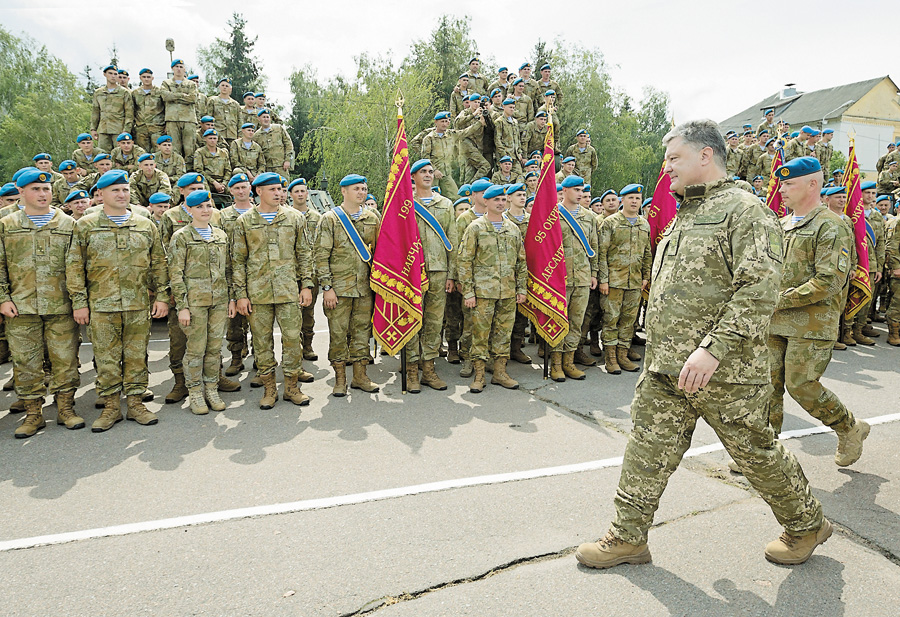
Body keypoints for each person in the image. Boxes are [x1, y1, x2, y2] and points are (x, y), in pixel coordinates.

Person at [575, 119, 830, 570]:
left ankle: (805, 523)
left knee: (756, 454)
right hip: (667, 366)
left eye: (674, 157)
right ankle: (627, 537)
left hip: (724, 371)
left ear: (705, 155)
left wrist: (713, 348)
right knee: (646, 447)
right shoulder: (685, 212)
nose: (666, 167)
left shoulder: (746, 211)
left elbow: (759, 290)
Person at [764, 156, 869, 468]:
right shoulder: (780, 224)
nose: (781, 189)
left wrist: (776, 299)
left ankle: (849, 428)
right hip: (774, 322)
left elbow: (829, 281)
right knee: (766, 387)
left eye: (789, 184)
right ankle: (765, 455)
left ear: (812, 185)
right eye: (781, 183)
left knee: (802, 386)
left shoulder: (832, 226)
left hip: (811, 324)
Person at [66, 170, 170, 432]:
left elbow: (158, 263)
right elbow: (75, 266)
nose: (122, 194)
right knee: (107, 357)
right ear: (101, 194)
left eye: (125, 189)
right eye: (115, 190)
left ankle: (135, 403)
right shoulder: (85, 226)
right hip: (102, 305)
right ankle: (111, 406)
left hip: (137, 304)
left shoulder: (145, 224)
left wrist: (162, 297)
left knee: (136, 355)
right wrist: (79, 302)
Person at [0, 169, 81, 438]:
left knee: (65, 360)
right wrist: (3, 299)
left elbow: (77, 266)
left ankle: (66, 409)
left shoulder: (67, 224)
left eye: (45, 189)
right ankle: (34, 414)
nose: (43, 194)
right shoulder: (7, 224)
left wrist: (79, 301)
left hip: (61, 305)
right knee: (26, 362)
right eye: (35, 189)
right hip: (21, 307)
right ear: (20, 192)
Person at [232, 172, 314, 408]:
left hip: (288, 291)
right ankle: (269, 389)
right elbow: (237, 261)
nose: (278, 193)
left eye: (280, 189)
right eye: (273, 190)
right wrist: (241, 295)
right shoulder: (245, 222)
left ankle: (291, 387)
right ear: (258, 192)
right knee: (261, 341)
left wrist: (306, 285)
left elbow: (304, 254)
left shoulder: (294, 218)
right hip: (257, 294)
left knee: (291, 339)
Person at [160, 173, 233, 403]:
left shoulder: (220, 235)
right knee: (195, 349)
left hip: (219, 301)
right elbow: (176, 273)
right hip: (194, 303)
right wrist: (181, 306)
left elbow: (228, 270)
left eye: (208, 205)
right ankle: (194, 392)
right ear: (189, 209)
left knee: (214, 349)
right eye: (199, 206)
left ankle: (211, 389)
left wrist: (231, 299)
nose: (205, 210)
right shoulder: (181, 237)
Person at [315, 174, 380, 396]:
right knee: (338, 334)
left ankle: (360, 376)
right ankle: (340, 378)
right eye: (356, 189)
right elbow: (321, 256)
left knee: (362, 332)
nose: (361, 192)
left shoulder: (372, 218)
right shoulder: (330, 219)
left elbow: (381, 253)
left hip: (364, 288)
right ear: (344, 191)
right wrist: (327, 287)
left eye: (364, 188)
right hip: (339, 290)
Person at [457, 184, 527, 392]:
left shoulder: (512, 229)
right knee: (480, 334)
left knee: (503, 333)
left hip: (507, 292)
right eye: (496, 200)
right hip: (482, 293)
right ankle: (479, 375)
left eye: (503, 199)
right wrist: (468, 292)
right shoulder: (476, 228)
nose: (500, 203)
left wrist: (521, 289)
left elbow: (521, 262)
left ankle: (500, 372)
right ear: (486, 202)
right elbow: (465, 261)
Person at [405, 160, 458, 393]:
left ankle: (428, 369)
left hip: (438, 270)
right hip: (411, 272)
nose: (428, 175)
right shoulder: (404, 204)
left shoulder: (445, 204)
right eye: (422, 172)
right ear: (413, 177)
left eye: (430, 172)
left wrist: (452, 274)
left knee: (434, 323)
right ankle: (411, 370)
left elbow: (452, 240)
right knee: (412, 320)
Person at [597, 183, 651, 374]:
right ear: (622, 200)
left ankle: (622, 355)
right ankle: (610, 358)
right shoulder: (610, 223)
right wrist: (603, 279)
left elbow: (647, 253)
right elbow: (601, 253)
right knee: (611, 319)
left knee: (628, 321)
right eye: (630, 198)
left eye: (637, 198)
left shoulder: (644, 224)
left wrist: (646, 276)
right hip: (614, 281)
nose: (634, 201)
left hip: (635, 282)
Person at [550, 175, 599, 381]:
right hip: (558, 278)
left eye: (582, 191)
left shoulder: (589, 217)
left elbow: (595, 247)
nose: (580, 194)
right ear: (565, 190)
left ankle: (569, 362)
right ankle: (556, 364)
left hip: (581, 278)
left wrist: (594, 273)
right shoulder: (552, 214)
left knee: (576, 322)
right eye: (576, 190)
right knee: (558, 321)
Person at [220, 174, 254, 376]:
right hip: (232, 272)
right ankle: (235, 357)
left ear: (250, 188)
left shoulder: (259, 213)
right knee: (234, 322)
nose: (241, 191)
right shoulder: (222, 216)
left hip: (256, 274)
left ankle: (260, 360)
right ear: (231, 191)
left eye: (244, 187)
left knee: (259, 321)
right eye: (237, 188)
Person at [288, 178, 321, 361]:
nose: (300, 194)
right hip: (291, 273)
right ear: (291, 195)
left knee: (308, 313)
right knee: (291, 315)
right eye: (297, 191)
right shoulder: (285, 216)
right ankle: (293, 349)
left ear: (307, 194)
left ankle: (307, 346)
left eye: (303, 191)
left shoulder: (317, 217)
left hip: (310, 273)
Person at [852, 181, 885, 344]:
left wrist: (879, 267)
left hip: (871, 265)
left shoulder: (877, 216)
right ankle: (847, 329)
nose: (870, 196)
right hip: (855, 263)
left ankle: (860, 328)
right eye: (867, 193)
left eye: (873, 194)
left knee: (867, 297)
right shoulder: (853, 213)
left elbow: (880, 243)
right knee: (851, 296)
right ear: (861, 194)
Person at [160, 59, 200, 161]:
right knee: (174, 148)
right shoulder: (166, 83)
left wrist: (174, 96)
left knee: (189, 148)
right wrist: (183, 95)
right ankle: (177, 170)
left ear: (184, 69)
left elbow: (193, 98)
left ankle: (190, 172)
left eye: (181, 67)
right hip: (172, 119)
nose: (179, 69)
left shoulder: (191, 84)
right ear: (172, 68)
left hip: (189, 119)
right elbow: (165, 96)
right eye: (176, 67)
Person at [91, 64, 135, 152]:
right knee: (102, 155)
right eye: (110, 73)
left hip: (119, 130)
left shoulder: (124, 92)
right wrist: (93, 129)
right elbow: (95, 112)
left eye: (115, 74)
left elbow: (129, 113)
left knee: (120, 155)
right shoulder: (99, 92)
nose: (113, 76)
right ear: (105, 74)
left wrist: (126, 130)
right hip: (104, 129)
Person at [420, 112, 460, 199]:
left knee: (455, 197)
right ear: (436, 122)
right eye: (442, 121)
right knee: (431, 198)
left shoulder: (450, 135)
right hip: (432, 175)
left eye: (446, 121)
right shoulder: (429, 138)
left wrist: (480, 123)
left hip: (446, 173)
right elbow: (425, 157)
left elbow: (466, 132)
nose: (445, 124)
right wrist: (434, 170)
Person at [132, 68, 166, 152]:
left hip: (157, 128)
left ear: (152, 78)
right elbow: (132, 110)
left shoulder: (160, 92)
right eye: (144, 77)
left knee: (159, 152)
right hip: (141, 128)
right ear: (140, 78)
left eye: (148, 77)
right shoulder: (135, 93)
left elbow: (166, 108)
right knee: (142, 153)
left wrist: (166, 125)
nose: (146, 79)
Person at [253, 109, 294, 175]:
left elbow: (288, 144)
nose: (266, 119)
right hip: (267, 168)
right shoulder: (256, 135)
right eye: (264, 117)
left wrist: (287, 160)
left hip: (281, 166)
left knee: (284, 184)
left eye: (267, 117)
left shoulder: (279, 128)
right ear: (259, 119)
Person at [193, 129, 232, 195]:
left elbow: (228, 170)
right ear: (205, 139)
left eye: (214, 138)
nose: (212, 140)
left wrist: (223, 184)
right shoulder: (200, 152)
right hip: (208, 182)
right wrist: (214, 182)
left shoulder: (223, 153)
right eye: (210, 138)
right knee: (204, 188)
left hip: (222, 182)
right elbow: (199, 170)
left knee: (234, 189)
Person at [206, 78, 241, 146]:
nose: (224, 87)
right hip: (218, 134)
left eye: (227, 86)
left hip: (232, 135)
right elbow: (209, 118)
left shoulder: (235, 104)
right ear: (219, 87)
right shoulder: (213, 101)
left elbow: (240, 120)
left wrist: (240, 135)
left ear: (230, 89)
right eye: (223, 85)